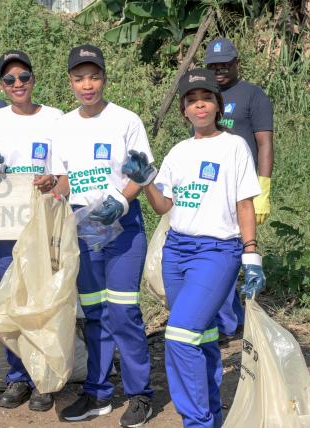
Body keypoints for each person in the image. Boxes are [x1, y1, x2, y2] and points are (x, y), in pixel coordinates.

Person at [126, 68, 265, 427]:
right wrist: (146, 182)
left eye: (206, 99)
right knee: (201, 337)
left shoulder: (234, 146)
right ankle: (212, 414)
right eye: (191, 101)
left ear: (217, 106)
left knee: (179, 336)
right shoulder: (178, 152)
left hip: (217, 252)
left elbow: (245, 204)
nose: (199, 106)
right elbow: (164, 207)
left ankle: (197, 422)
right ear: (183, 111)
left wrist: (251, 253)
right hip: (176, 252)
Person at [51, 44, 153, 427]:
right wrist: (52, 187)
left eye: (94, 77)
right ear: (70, 82)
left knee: (124, 311)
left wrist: (121, 204)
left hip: (123, 228)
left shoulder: (126, 121)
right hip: (84, 226)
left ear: (104, 78)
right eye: (79, 78)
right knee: (94, 312)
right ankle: (97, 393)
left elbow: (140, 173)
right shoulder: (63, 125)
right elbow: (63, 178)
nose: (87, 85)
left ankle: (141, 394)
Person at [0, 49, 62, 412]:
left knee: (41, 300)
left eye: (23, 77)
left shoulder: (56, 118)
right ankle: (17, 378)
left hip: (43, 219)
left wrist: (53, 179)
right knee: (11, 301)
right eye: (9, 80)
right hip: (4, 222)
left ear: (33, 80)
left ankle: (44, 379)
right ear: (1, 85)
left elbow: (63, 170)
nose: (18, 84)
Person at [203, 38, 274, 338]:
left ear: (236, 63)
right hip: (210, 186)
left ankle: (230, 319)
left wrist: (263, 189)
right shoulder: (204, 96)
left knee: (233, 249)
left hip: (243, 189)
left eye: (225, 64)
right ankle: (226, 317)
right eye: (213, 66)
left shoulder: (253, 96)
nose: (219, 70)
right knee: (214, 248)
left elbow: (264, 144)